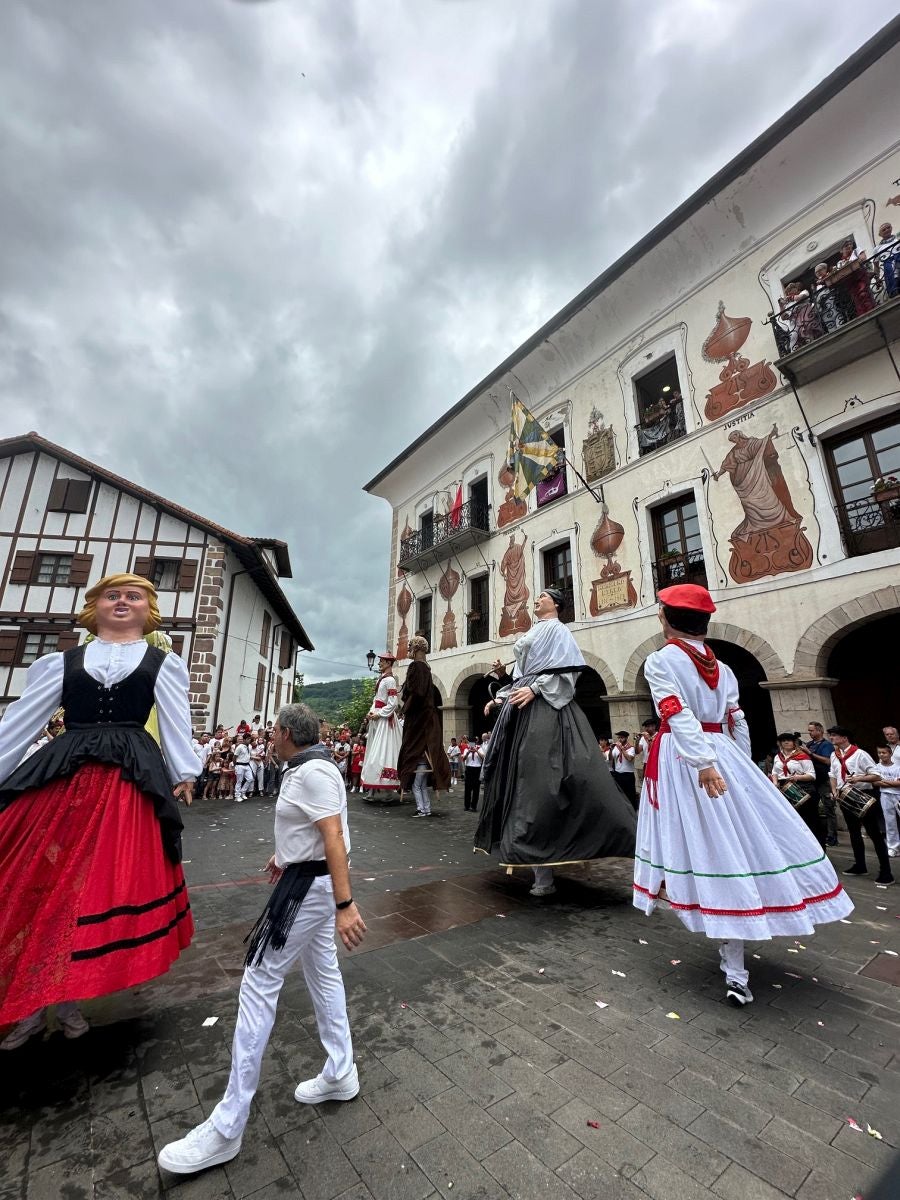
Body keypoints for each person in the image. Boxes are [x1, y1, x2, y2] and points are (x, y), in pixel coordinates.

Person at [157, 703, 366, 1176]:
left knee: (258, 980)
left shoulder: (312, 772)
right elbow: (312, 830)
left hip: (310, 890)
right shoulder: (312, 767)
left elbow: (333, 836)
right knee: (322, 972)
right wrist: (285, 854)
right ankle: (340, 1071)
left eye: (274, 731)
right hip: (307, 879)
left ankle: (228, 1125)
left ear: (288, 733)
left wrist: (345, 904)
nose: (271, 737)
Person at [0, 573, 196, 1050]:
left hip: (126, 784)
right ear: (95, 606)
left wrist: (186, 772)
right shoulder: (61, 663)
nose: (123, 601)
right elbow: (22, 720)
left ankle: (67, 999)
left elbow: (177, 721)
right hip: (64, 777)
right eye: (113, 595)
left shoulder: (163, 664)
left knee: (91, 890)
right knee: (41, 883)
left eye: (133, 596)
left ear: (148, 610)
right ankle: (30, 1005)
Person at [633, 584, 853, 1007]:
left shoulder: (661, 660)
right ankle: (734, 956)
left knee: (712, 848)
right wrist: (741, 766)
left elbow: (675, 712)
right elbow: (737, 719)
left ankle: (733, 956)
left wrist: (704, 763)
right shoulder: (724, 667)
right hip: (722, 752)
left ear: (666, 619)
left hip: (686, 759)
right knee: (732, 844)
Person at [475, 587, 636, 898]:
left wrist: (536, 689)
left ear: (557, 604)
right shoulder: (534, 630)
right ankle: (537, 866)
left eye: (544, 596)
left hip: (547, 710)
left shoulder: (559, 630)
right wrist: (501, 697)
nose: (537, 599)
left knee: (542, 782)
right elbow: (522, 677)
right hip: (521, 713)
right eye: (537, 596)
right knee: (520, 782)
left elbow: (567, 674)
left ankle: (553, 868)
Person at [828, 726, 893, 884]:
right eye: (831, 735)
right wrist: (834, 790)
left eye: (834, 735)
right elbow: (833, 774)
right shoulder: (834, 755)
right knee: (854, 832)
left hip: (863, 795)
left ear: (845, 738)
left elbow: (876, 775)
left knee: (874, 833)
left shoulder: (860, 754)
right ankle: (860, 865)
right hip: (845, 796)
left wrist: (859, 778)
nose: (831, 738)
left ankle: (886, 872)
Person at [397, 635, 450, 818]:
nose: (408, 650)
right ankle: (424, 808)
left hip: (418, 718)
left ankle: (422, 809)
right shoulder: (426, 667)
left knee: (411, 749)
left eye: (410, 646)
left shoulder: (416, 666)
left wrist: (405, 707)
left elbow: (416, 692)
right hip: (427, 716)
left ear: (417, 648)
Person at [770, 733, 823, 848]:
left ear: (794, 743)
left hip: (803, 788)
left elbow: (812, 775)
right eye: (783, 740)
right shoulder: (778, 757)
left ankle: (818, 847)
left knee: (810, 821)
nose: (786, 742)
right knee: (792, 821)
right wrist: (774, 783)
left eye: (789, 740)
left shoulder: (802, 756)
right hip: (785, 789)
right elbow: (775, 772)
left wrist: (797, 777)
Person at [360, 654, 402, 800]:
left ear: (389, 663)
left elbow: (393, 703)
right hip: (377, 718)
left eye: (382, 661)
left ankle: (388, 791)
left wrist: (379, 714)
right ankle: (371, 789)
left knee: (383, 752)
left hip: (384, 720)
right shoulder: (382, 679)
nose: (379, 663)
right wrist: (371, 712)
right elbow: (376, 699)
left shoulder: (390, 680)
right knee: (373, 753)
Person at [804, 721, 837, 845]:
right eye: (809, 730)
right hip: (813, 781)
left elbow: (828, 761)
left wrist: (810, 753)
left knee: (829, 808)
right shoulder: (809, 744)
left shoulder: (826, 745)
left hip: (824, 781)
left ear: (819, 730)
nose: (810, 733)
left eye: (812, 730)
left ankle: (832, 836)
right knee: (812, 808)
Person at [872, 746, 900, 858]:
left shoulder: (898, 767)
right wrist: (892, 782)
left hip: (898, 795)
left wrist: (883, 781)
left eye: (884, 752)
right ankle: (893, 848)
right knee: (890, 822)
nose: (881, 755)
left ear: (890, 754)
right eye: (879, 753)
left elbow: (899, 784)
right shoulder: (876, 767)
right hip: (885, 796)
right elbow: (875, 782)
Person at [610, 732, 637, 808]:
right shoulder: (616, 747)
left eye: (621, 737)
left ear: (626, 738)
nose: (619, 739)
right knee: (620, 793)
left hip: (628, 774)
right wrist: (611, 749)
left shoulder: (631, 748)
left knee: (630, 794)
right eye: (618, 738)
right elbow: (611, 758)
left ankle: (633, 809)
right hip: (618, 773)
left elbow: (629, 758)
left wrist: (622, 748)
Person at [462, 737, 485, 813]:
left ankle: (473, 806)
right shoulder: (466, 749)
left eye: (473, 742)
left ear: (475, 742)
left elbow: (483, 757)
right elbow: (463, 759)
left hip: (477, 769)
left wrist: (476, 751)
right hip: (469, 769)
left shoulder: (479, 748)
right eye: (470, 742)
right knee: (467, 788)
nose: (471, 744)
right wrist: (468, 752)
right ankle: (467, 806)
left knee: (476, 789)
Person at [234, 734, 255, 802]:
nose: (249, 740)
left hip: (247, 765)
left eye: (250, 739)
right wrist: (235, 766)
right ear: (244, 739)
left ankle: (242, 792)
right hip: (239, 765)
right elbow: (234, 757)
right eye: (248, 739)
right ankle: (237, 796)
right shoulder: (239, 747)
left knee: (250, 779)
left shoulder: (249, 746)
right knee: (239, 781)